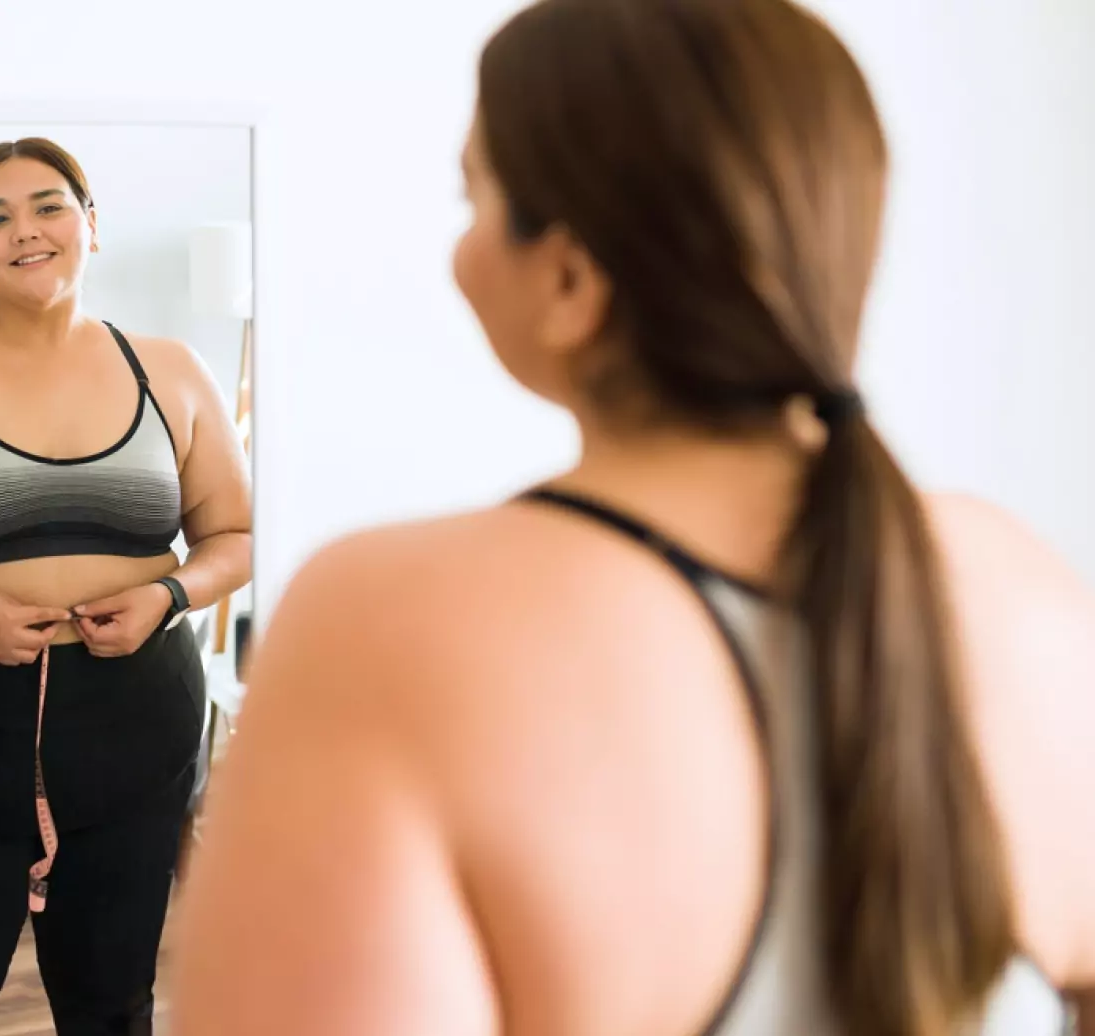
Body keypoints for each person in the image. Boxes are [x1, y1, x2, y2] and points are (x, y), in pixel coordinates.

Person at [169, 2, 1095, 1034]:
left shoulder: (390, 624)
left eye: (472, 196)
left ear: (568, 278)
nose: (461, 247)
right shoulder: (1026, 591)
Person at [0, 137, 251, 1036]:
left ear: (91, 225)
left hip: (134, 717)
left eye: (48, 206)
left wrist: (170, 597)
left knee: (111, 1000)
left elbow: (235, 536)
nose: (23, 231)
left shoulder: (172, 371)